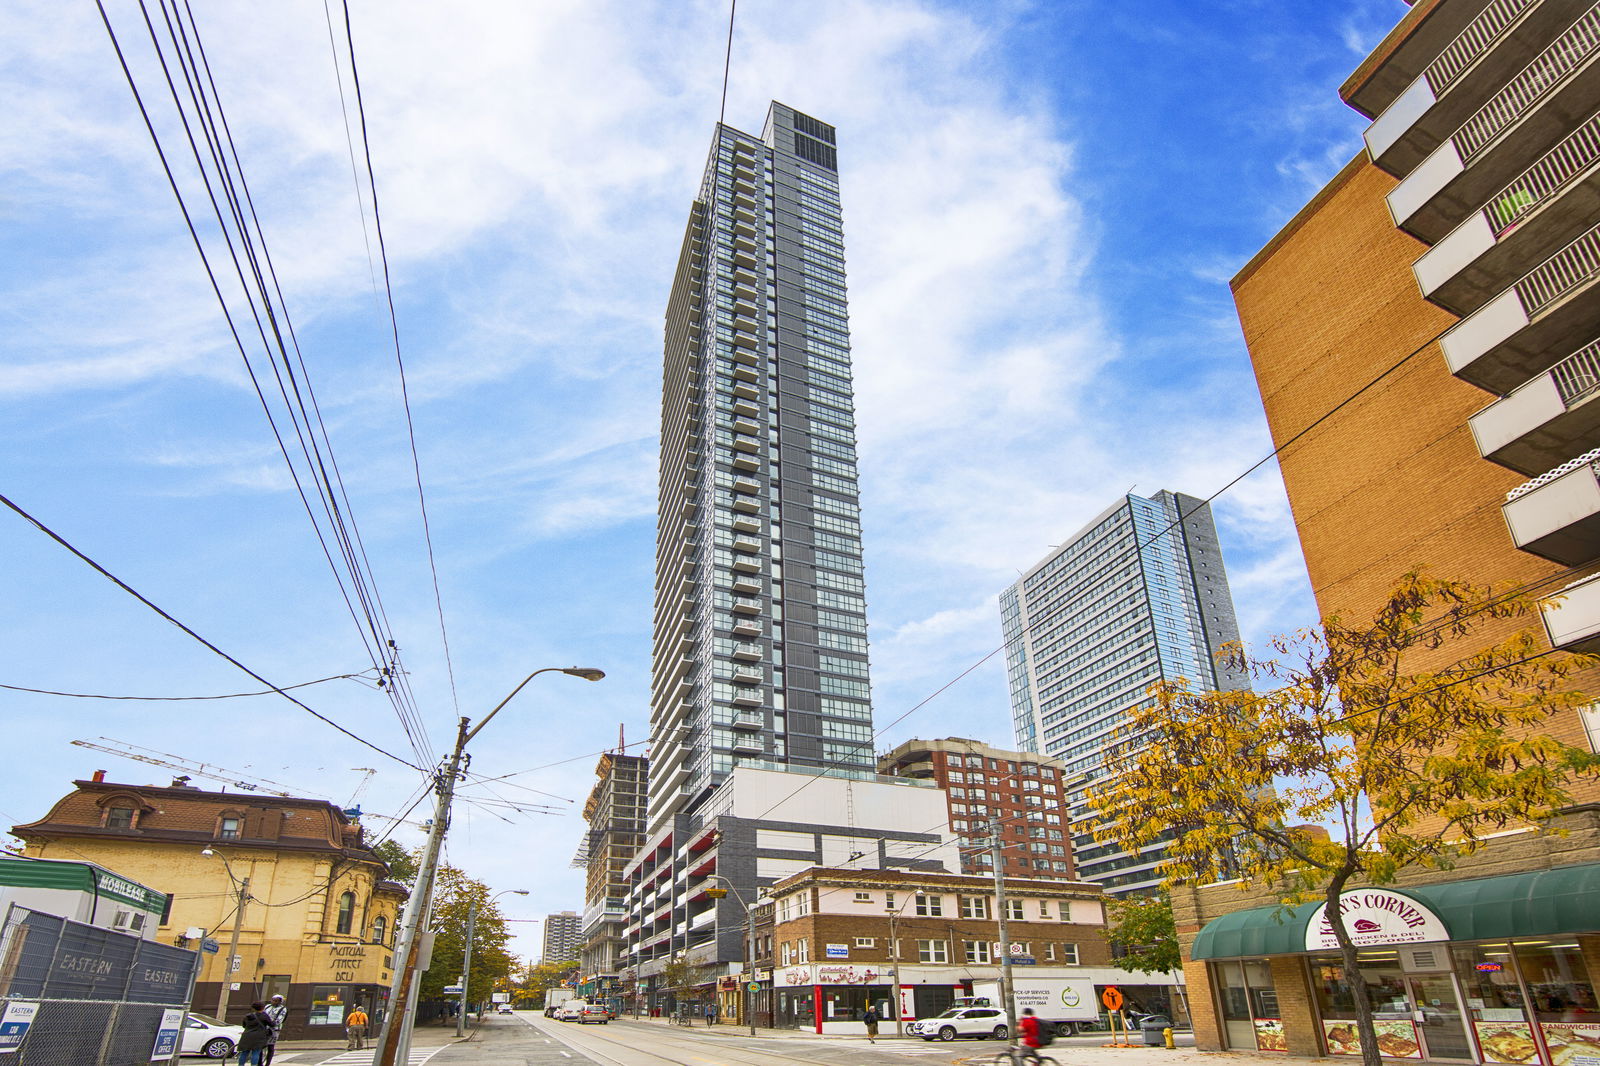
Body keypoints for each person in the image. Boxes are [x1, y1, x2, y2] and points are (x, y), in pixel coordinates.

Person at [262, 995, 287, 1066]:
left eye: (275, 1001)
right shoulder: (267, 1006)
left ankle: (268, 1063)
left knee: (270, 1045)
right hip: (264, 1028)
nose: (273, 1002)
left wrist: (271, 1023)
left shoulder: (283, 1009)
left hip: (274, 1030)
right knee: (261, 1045)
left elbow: (280, 1020)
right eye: (272, 1000)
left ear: (280, 1002)